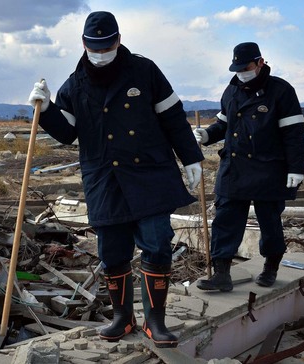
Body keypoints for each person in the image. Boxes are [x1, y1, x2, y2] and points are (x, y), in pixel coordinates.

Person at [28, 11, 204, 348]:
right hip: (104, 179)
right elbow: (66, 134)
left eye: (107, 45)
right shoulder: (75, 84)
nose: (101, 51)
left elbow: (173, 117)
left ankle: (156, 322)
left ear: (119, 40)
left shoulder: (145, 71)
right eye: (95, 46)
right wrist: (46, 107)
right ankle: (122, 318)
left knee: (156, 242)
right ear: (83, 44)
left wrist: (192, 157)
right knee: (112, 250)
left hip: (149, 174)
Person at [193, 42, 304, 292]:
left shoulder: (281, 91)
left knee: (270, 222)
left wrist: (296, 169)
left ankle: (271, 266)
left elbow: (294, 134)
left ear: (260, 63)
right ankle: (221, 273)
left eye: (246, 67)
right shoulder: (231, 90)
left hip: (269, 168)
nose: (241, 72)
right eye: (237, 68)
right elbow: (223, 123)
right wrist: (207, 135)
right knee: (225, 218)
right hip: (234, 167)